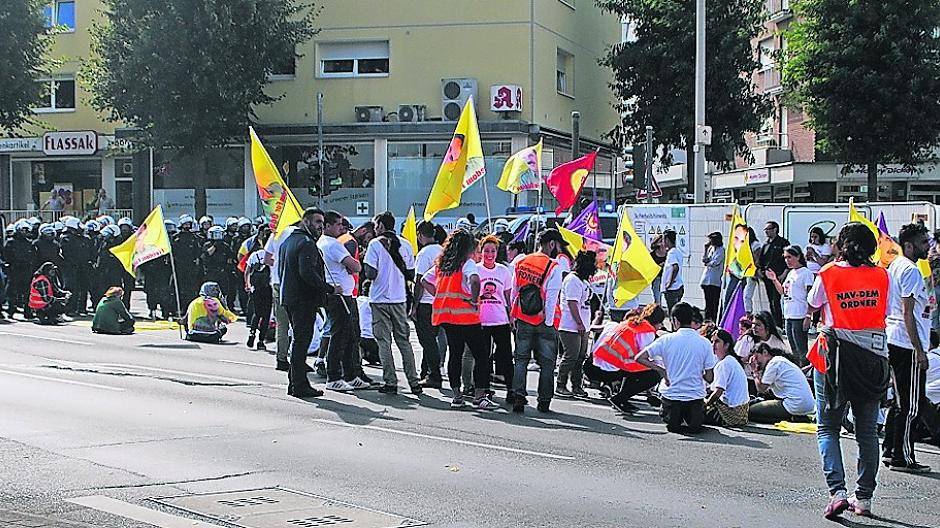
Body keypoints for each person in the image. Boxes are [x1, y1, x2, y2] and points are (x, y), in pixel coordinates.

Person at [807, 222, 892, 519]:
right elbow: (888, 310)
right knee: (867, 431)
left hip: (835, 357)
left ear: (840, 245)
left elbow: (813, 302)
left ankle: (837, 492)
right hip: (874, 356)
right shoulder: (883, 274)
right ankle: (864, 498)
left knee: (828, 426)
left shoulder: (828, 273)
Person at [422, 230, 497, 410]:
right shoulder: (467, 263)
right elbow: (475, 280)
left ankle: (456, 396)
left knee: (454, 355)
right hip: (467, 317)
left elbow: (424, 280)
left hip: (447, 317)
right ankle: (479, 396)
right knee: (481, 356)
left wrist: (438, 296)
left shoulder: (443, 264)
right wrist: (473, 298)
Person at [882, 223, 932, 473]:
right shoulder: (910, 270)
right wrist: (919, 349)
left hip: (896, 339)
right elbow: (907, 313)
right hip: (906, 342)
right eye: (924, 242)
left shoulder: (896, 266)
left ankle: (891, 449)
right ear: (910, 245)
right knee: (912, 405)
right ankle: (903, 457)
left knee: (900, 400)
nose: (928, 246)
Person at [279, 208, 339, 398]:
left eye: (322, 223)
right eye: (317, 222)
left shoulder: (288, 241)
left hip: (290, 298)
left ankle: (294, 383)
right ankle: (299, 385)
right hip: (302, 299)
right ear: (305, 222)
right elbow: (307, 273)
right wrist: (329, 289)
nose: (320, 227)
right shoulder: (306, 243)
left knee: (298, 340)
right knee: (301, 342)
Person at [634, 302, 716, 434]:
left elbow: (639, 357)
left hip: (671, 397)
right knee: (695, 428)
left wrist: (661, 370)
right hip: (694, 398)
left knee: (673, 425)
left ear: (675, 321)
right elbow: (710, 378)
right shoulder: (705, 343)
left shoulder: (666, 339)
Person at [363, 211, 422, 395]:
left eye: (376, 225)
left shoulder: (374, 244)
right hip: (399, 299)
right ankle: (414, 381)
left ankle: (390, 381)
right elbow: (411, 273)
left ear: (380, 225)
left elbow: (370, 274)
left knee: (384, 342)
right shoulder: (405, 244)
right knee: (404, 342)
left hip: (379, 299)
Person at [509, 228, 565, 413]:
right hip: (543, 321)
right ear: (551, 244)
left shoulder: (521, 261)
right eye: (557, 245)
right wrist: (548, 323)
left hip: (523, 319)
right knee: (547, 363)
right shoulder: (553, 266)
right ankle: (543, 401)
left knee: (521, 360)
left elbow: (514, 291)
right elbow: (551, 297)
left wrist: (513, 315)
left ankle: (518, 396)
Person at [318, 211, 372, 392]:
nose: (342, 228)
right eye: (338, 225)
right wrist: (355, 264)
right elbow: (356, 266)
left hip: (341, 293)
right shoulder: (333, 245)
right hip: (340, 295)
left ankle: (351, 375)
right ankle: (333, 376)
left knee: (348, 335)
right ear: (327, 226)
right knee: (340, 335)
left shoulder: (324, 243)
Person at [594, 303, 666, 414]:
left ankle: (622, 399)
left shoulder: (632, 322)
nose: (660, 326)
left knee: (637, 368)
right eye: (661, 323)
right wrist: (662, 369)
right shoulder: (647, 331)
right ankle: (619, 398)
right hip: (612, 367)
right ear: (656, 321)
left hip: (600, 361)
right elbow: (647, 356)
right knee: (654, 375)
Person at [556, 250, 597, 398]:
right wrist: (579, 323)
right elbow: (572, 303)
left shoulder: (584, 281)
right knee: (571, 356)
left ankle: (576, 385)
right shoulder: (572, 280)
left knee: (580, 357)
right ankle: (560, 384)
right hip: (570, 325)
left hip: (584, 324)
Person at [476, 235, 513, 395]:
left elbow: (508, 295)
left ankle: (512, 389)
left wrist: (512, 315)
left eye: (493, 251)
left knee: (505, 356)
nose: (489, 254)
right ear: (481, 252)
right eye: (486, 251)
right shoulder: (475, 270)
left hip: (500, 320)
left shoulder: (503, 271)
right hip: (481, 320)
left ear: (497, 252)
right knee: (483, 357)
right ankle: (483, 388)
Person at [766, 245, 815, 366]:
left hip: (800, 315)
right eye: (785, 258)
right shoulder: (791, 273)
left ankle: (806, 371)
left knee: (801, 348)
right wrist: (774, 279)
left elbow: (811, 295)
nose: (787, 260)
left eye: (790, 257)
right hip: (789, 314)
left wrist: (808, 316)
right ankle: (797, 369)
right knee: (793, 349)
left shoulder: (806, 273)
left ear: (798, 256)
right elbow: (782, 291)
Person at [412, 221, 444, 388]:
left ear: (420, 235)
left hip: (426, 302)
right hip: (439, 301)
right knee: (431, 339)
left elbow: (419, 281)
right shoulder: (442, 251)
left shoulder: (424, 253)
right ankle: (426, 372)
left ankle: (434, 374)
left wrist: (414, 306)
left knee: (427, 340)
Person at [747, 343, 815, 423]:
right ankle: (796, 416)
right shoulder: (781, 361)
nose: (757, 362)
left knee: (750, 412)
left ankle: (792, 418)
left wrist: (754, 371)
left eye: (756, 358)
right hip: (807, 405)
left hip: (793, 405)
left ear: (765, 352)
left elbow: (761, 389)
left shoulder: (773, 363)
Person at [265, 223, 296, 372]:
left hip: (277, 281)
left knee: (282, 324)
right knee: (298, 324)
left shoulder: (275, 234)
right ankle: (296, 358)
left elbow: (266, 258)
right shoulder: (296, 234)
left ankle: (282, 357)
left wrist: (277, 265)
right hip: (292, 283)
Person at [704, 329, 750, 427]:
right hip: (741, 413)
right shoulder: (731, 360)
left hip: (731, 413)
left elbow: (718, 392)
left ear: (726, 345)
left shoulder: (724, 364)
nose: (713, 345)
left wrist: (706, 404)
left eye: (717, 342)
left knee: (693, 413)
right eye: (712, 342)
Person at [244, 228, 272, 351]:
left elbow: (247, 271)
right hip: (268, 287)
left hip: (255, 288)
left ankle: (252, 333)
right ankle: (261, 340)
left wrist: (248, 285)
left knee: (257, 312)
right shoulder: (273, 256)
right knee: (266, 315)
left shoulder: (254, 255)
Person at [759, 221, 790, 327]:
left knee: (776, 301)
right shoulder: (766, 244)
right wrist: (761, 271)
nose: (766, 232)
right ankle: (774, 324)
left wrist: (784, 273)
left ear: (775, 229)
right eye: (765, 230)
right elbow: (761, 260)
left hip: (778, 277)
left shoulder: (783, 243)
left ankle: (779, 325)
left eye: (768, 229)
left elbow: (788, 259)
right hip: (767, 277)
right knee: (771, 302)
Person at [3, 221, 37, 319]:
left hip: (26, 270)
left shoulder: (29, 242)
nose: (25, 232)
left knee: (27, 292)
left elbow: (33, 256)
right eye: (23, 230)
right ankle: (11, 310)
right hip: (15, 270)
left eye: (26, 230)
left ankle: (27, 312)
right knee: (12, 292)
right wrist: (11, 264)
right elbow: (6, 255)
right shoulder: (11, 242)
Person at [700, 232, 724, 321]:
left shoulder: (721, 250)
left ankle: (715, 320)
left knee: (715, 303)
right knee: (708, 302)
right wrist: (705, 249)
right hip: (706, 279)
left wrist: (708, 262)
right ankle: (707, 319)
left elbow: (715, 263)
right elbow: (704, 259)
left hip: (715, 281)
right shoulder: (711, 249)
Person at [660, 230, 684, 313]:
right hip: (678, 286)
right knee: (676, 312)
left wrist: (669, 283)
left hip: (672, 288)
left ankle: (674, 325)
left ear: (666, 240)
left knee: (672, 313)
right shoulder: (677, 252)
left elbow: (675, 267)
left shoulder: (671, 253)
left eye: (663, 239)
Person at [648, 235, 668, 306]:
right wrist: (659, 266)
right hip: (657, 278)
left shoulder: (668, 253)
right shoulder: (652, 255)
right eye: (661, 241)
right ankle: (658, 313)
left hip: (667, 278)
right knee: (657, 299)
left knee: (669, 298)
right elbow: (650, 268)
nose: (663, 242)